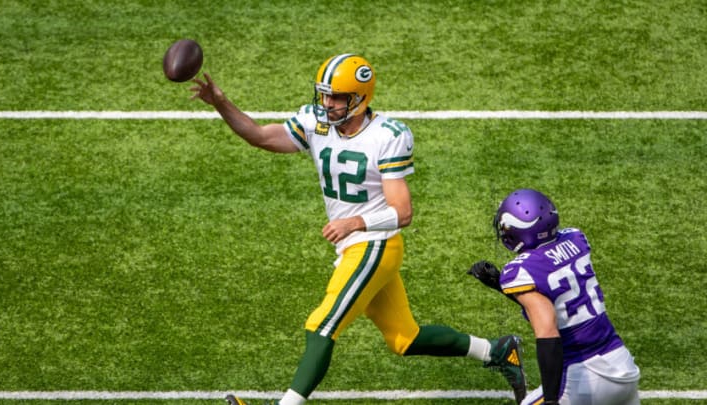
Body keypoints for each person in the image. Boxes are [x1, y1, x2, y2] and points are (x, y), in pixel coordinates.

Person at [190, 53, 526, 405]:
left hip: (375, 243)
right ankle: (499, 351)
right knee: (404, 338)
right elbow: (260, 136)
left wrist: (355, 222)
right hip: (354, 246)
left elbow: (403, 211)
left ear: (360, 98)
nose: (327, 104)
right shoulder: (316, 122)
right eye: (324, 94)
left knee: (322, 324)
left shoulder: (387, 135)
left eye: (337, 97)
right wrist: (222, 104)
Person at [468, 188, 641, 405]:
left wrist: (550, 400)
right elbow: (556, 299)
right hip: (622, 364)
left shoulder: (520, 271)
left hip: (584, 375)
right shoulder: (575, 239)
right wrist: (498, 285)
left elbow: (548, 330)